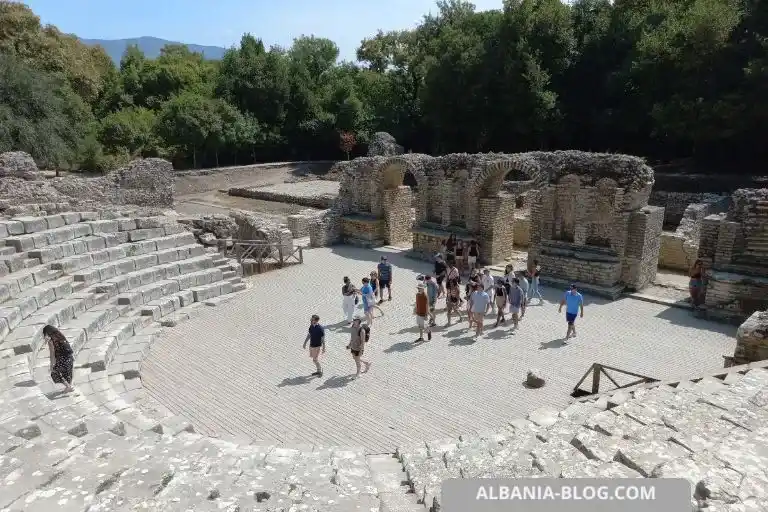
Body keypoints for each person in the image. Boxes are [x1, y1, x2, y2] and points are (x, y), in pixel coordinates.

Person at [44, 325, 74, 392]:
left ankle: (68, 387)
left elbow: (52, 354)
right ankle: (69, 386)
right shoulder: (61, 336)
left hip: (63, 360)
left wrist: (52, 365)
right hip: (70, 358)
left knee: (54, 373)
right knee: (67, 373)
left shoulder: (51, 341)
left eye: (45, 334)